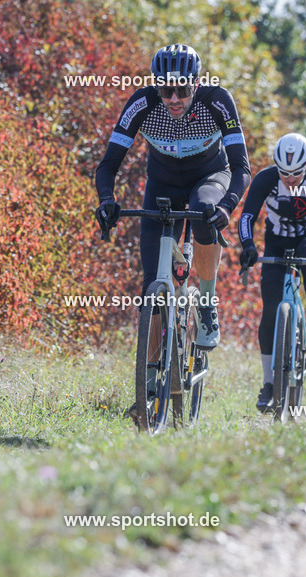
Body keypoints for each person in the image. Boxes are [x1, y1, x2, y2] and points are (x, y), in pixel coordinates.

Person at [94, 44, 250, 349]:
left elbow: (241, 167)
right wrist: (106, 200)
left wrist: (227, 206)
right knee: (151, 285)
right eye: (166, 90)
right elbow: (108, 164)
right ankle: (152, 372)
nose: (174, 99)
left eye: (182, 90)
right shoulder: (142, 103)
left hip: (209, 177)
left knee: (205, 211)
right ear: (157, 86)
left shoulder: (217, 101)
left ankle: (206, 303)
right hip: (163, 184)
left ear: (196, 84)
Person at [238, 133, 306, 413]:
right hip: (277, 240)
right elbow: (247, 217)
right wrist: (248, 246)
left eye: (296, 173)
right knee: (270, 311)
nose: (290, 179)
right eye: (284, 173)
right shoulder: (265, 179)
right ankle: (269, 383)